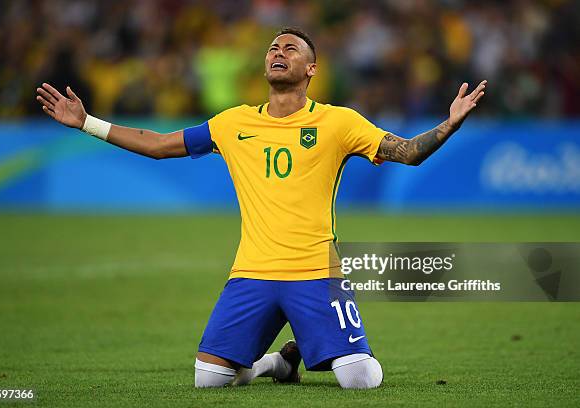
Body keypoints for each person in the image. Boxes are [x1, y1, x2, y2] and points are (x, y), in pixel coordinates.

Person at [36, 28, 486, 389]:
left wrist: (448, 124)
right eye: (273, 47)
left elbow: (407, 152)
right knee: (208, 380)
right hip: (251, 272)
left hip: (315, 272)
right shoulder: (233, 123)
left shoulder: (338, 122)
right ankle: (277, 363)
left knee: (360, 379)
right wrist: (87, 123)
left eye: (290, 48)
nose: (278, 51)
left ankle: (322, 351)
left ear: (311, 68)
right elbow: (157, 145)